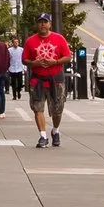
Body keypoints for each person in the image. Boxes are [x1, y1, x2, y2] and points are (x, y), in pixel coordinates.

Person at [24, 13, 71, 148]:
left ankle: (55, 131)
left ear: (50, 24)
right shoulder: (30, 41)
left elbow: (68, 57)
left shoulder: (59, 39)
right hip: (37, 80)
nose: (42, 24)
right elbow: (25, 59)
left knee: (57, 110)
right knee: (38, 108)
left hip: (56, 80)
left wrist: (55, 61)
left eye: (45, 22)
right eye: (40, 22)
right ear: (36, 24)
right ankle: (43, 136)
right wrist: (35, 63)